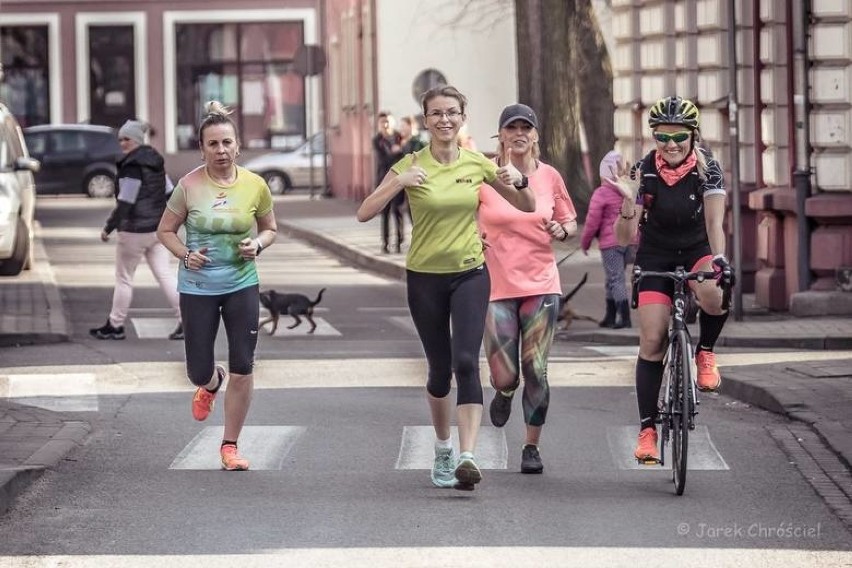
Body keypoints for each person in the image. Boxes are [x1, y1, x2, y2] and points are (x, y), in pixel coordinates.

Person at [357, 86, 535, 491]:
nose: (444, 120)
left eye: (452, 113)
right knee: (439, 371)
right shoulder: (410, 163)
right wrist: (397, 182)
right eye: (436, 113)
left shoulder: (478, 164)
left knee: (467, 363)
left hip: (470, 273)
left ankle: (469, 456)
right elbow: (365, 212)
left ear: (462, 118)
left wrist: (520, 179)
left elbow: (527, 205)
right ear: (425, 120)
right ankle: (442, 448)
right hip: (424, 277)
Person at [157, 101, 277, 471]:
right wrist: (184, 254)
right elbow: (165, 231)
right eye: (213, 144)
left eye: (227, 143)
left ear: (237, 146)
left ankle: (229, 445)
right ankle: (210, 384)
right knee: (196, 369)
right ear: (203, 148)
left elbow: (270, 229)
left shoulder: (255, 185)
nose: (221, 150)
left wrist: (257, 244)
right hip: (197, 287)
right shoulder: (189, 185)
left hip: (242, 283)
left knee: (244, 365)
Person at [611, 95, 732, 464]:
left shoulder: (708, 169)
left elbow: (714, 225)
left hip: (696, 247)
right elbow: (622, 238)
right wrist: (629, 201)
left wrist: (720, 260)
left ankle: (705, 352)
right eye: (662, 137)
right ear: (654, 138)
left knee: (714, 293)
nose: (671, 145)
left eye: (679, 136)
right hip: (655, 255)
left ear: (693, 135)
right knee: (651, 341)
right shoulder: (643, 170)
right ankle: (648, 430)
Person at [479, 103, 578, 474]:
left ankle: (531, 446)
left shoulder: (550, 177)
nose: (519, 134)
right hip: (496, 286)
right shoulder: (485, 175)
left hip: (540, 284)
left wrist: (561, 230)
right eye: (511, 128)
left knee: (536, 369)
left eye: (526, 128)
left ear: (536, 135)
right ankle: (504, 392)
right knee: (506, 374)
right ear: (501, 135)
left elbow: (569, 223)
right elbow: (466, 215)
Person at [90, 120, 183, 341]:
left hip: (134, 230)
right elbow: (170, 192)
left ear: (137, 140)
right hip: (157, 229)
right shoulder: (155, 161)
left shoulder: (131, 165)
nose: (122, 143)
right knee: (165, 275)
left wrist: (109, 227)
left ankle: (115, 325)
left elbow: (126, 201)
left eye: (127, 139)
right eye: (120, 139)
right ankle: (187, 320)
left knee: (124, 278)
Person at [580, 150, 637, 329]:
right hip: (632, 241)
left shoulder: (602, 193)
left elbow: (591, 221)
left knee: (615, 279)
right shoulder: (632, 189)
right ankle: (610, 316)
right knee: (612, 278)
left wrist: (585, 243)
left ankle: (624, 317)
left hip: (611, 244)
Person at [372, 112, 404, 253]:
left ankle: (399, 242)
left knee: (397, 211)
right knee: (384, 213)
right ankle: (385, 243)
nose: (385, 125)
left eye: (388, 122)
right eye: (382, 122)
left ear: (393, 122)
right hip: (383, 181)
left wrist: (398, 151)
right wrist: (396, 152)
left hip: (398, 180)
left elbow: (404, 158)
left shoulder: (399, 137)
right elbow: (383, 159)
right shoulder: (377, 140)